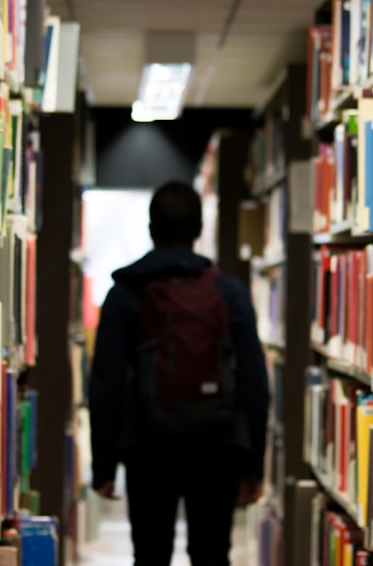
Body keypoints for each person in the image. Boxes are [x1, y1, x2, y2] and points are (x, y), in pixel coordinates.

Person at [89, 180, 270, 566]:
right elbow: (254, 382)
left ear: (152, 229)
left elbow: (106, 384)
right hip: (218, 445)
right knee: (211, 554)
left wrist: (104, 464)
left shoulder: (124, 293)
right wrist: (253, 464)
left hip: (147, 446)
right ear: (199, 229)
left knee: (151, 554)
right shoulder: (230, 293)